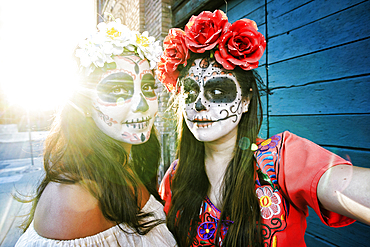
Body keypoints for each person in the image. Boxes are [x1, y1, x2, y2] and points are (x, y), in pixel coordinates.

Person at [157, 10, 370, 247]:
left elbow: (343, 186)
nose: (199, 105)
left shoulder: (283, 158)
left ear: (246, 100)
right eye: (189, 92)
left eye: (217, 92)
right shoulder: (174, 178)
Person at [15, 19, 176, 246]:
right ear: (85, 105)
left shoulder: (123, 167)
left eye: (148, 87)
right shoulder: (73, 201)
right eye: (118, 89)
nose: (142, 104)